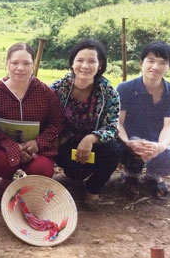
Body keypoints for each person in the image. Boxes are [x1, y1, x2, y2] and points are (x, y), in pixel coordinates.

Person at [50, 39, 121, 210]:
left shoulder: (108, 92)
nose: (85, 66)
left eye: (91, 61)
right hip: (65, 143)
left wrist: (92, 138)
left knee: (113, 151)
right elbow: (46, 119)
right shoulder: (58, 89)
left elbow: (112, 126)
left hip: (95, 146)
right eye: (80, 60)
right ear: (72, 62)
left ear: (100, 64)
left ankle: (93, 188)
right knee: (75, 173)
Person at [0, 43, 65, 195]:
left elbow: (57, 121)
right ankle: (7, 177)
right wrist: (12, 146)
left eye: (26, 63)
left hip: (37, 149)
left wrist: (39, 143)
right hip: (6, 147)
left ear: (33, 65)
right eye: (15, 63)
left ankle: (32, 184)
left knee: (42, 169)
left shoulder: (45, 92)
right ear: (7, 64)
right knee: (1, 163)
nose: (20, 68)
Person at [117, 41, 170, 200]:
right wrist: (127, 142)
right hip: (128, 145)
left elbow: (169, 125)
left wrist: (160, 146)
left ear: (169, 66)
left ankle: (154, 176)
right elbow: (118, 122)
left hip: (154, 145)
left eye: (163, 62)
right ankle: (131, 174)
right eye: (151, 61)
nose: (156, 66)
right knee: (128, 147)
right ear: (141, 63)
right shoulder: (125, 88)